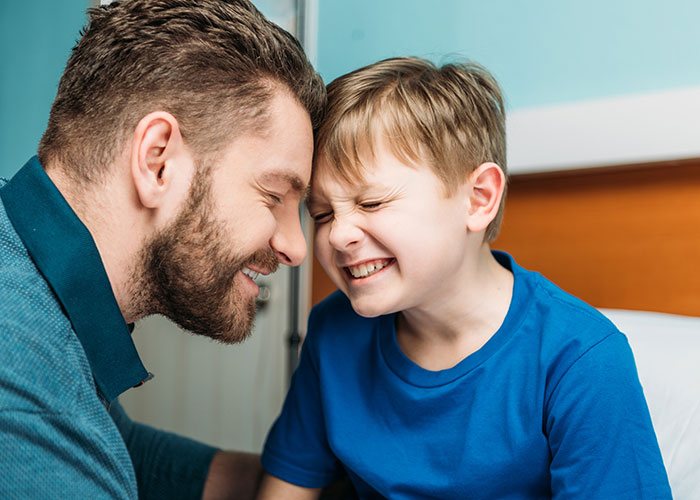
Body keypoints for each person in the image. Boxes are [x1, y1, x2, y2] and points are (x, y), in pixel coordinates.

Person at [257, 57, 673, 499]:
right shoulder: (333, 332)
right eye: (321, 214)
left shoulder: (580, 360)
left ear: (478, 199)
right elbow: (289, 488)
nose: (338, 234)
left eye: (373, 203)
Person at [0, 0, 325, 498]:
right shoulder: (26, 394)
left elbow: (115, 444)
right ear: (157, 162)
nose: (296, 247)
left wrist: (308, 476)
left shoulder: (22, 258)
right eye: (274, 196)